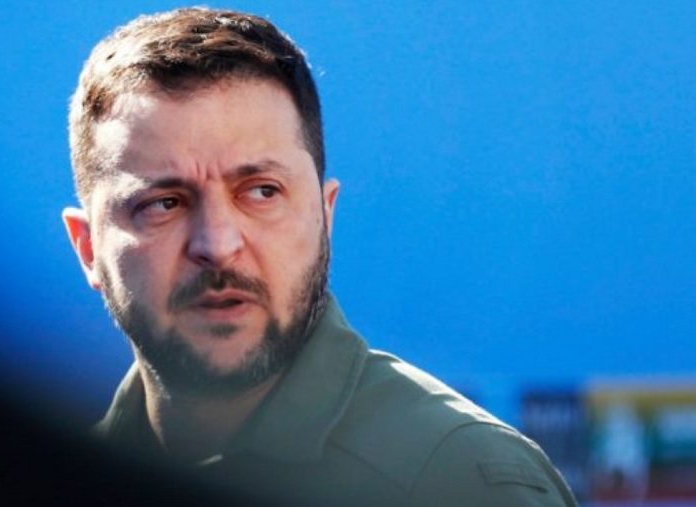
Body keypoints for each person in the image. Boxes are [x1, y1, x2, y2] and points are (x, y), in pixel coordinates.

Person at [62, 7, 578, 505]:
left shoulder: (461, 480)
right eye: (164, 204)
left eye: (261, 192)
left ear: (325, 217)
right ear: (87, 248)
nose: (217, 245)